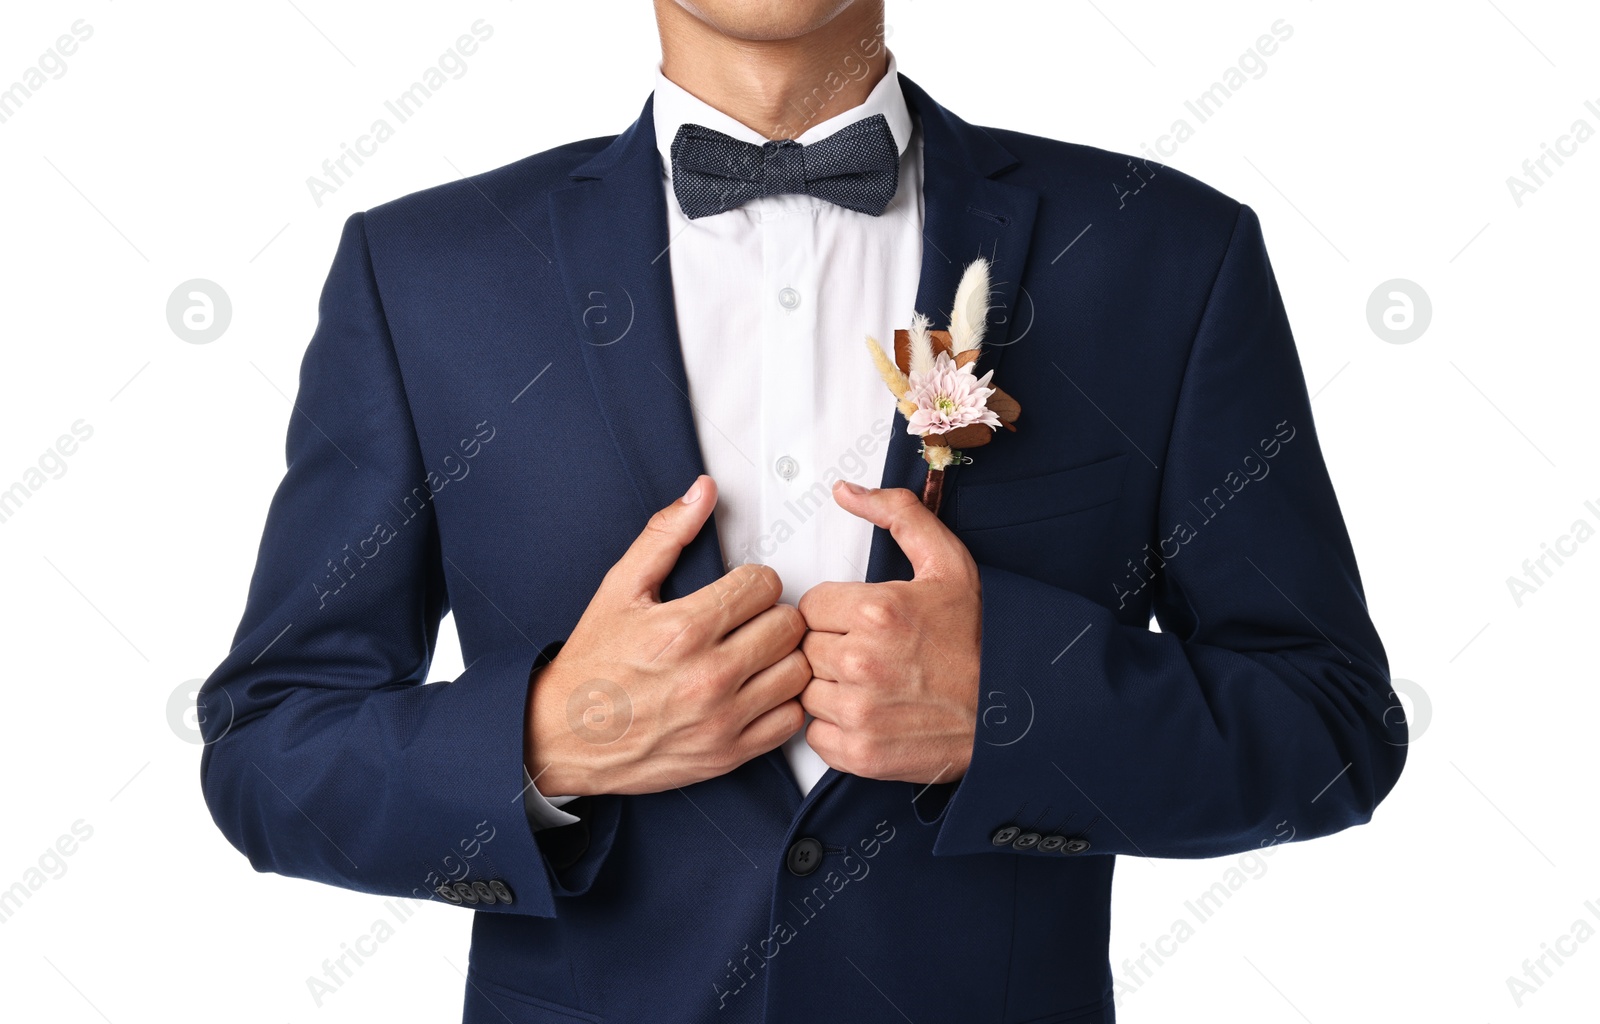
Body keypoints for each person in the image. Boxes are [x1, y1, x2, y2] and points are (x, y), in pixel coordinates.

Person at [197, 2, 1407, 1021]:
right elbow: (267, 752)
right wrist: (543, 743)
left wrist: (1011, 711)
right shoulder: (424, 272)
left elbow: (1332, 723)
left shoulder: (1163, 252)